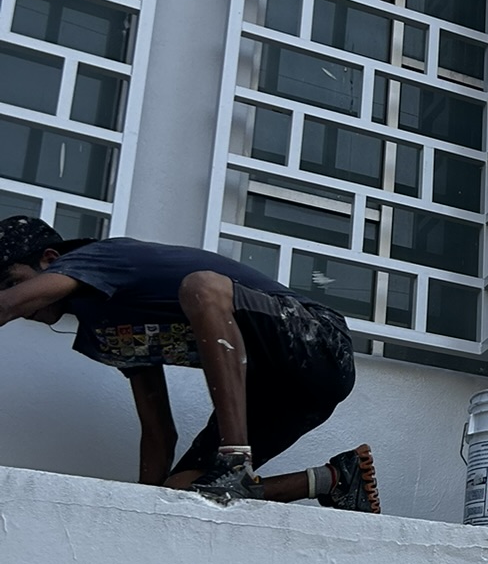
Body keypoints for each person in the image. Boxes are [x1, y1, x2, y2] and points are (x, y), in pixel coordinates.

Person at [0, 218, 379, 509]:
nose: (14, 295)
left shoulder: (99, 258)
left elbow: (9, 305)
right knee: (180, 491)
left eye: (12, 281)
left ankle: (235, 461)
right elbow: (159, 430)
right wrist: (144, 507)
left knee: (202, 287)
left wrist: (11, 299)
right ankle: (335, 480)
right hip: (284, 396)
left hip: (321, 345)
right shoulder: (103, 335)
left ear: (50, 260)